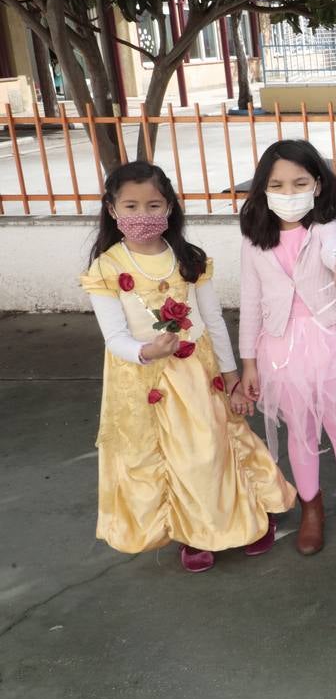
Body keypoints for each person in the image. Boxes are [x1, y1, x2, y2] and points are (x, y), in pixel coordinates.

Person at [79, 163, 295, 572]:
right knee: (172, 459)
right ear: (111, 209)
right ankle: (192, 533)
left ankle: (252, 517)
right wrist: (146, 351)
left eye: (153, 205)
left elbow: (212, 321)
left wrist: (231, 375)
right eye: (131, 206)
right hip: (145, 380)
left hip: (198, 373)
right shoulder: (106, 269)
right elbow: (114, 337)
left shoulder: (189, 259)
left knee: (213, 449)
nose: (143, 215)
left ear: (170, 207)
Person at [235, 140, 336, 555]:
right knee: (300, 431)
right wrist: (248, 363)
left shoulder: (327, 227)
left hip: (330, 340)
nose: (289, 193)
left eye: (299, 182)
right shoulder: (254, 239)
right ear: (263, 188)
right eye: (278, 184)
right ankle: (312, 509)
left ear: (317, 184)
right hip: (279, 349)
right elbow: (250, 302)